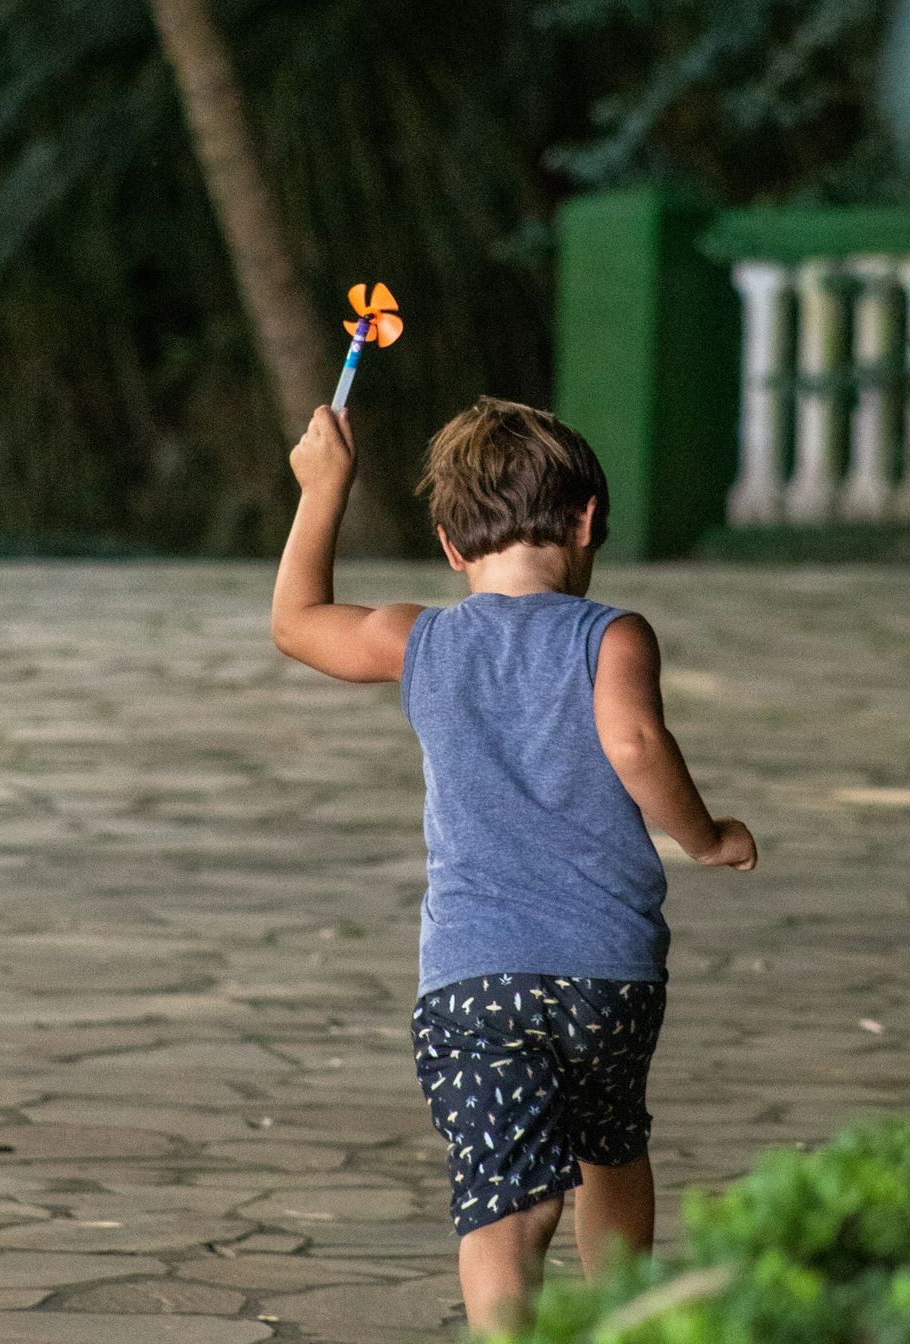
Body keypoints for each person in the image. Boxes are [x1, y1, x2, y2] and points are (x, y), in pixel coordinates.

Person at [271, 394, 757, 1334]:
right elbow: (635, 743)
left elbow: (297, 623)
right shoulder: (611, 635)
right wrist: (706, 837)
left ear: (452, 549)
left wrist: (324, 487)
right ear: (585, 523)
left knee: (509, 1201)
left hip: (470, 979)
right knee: (612, 1147)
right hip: (606, 976)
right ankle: (620, 1320)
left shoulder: (421, 639)